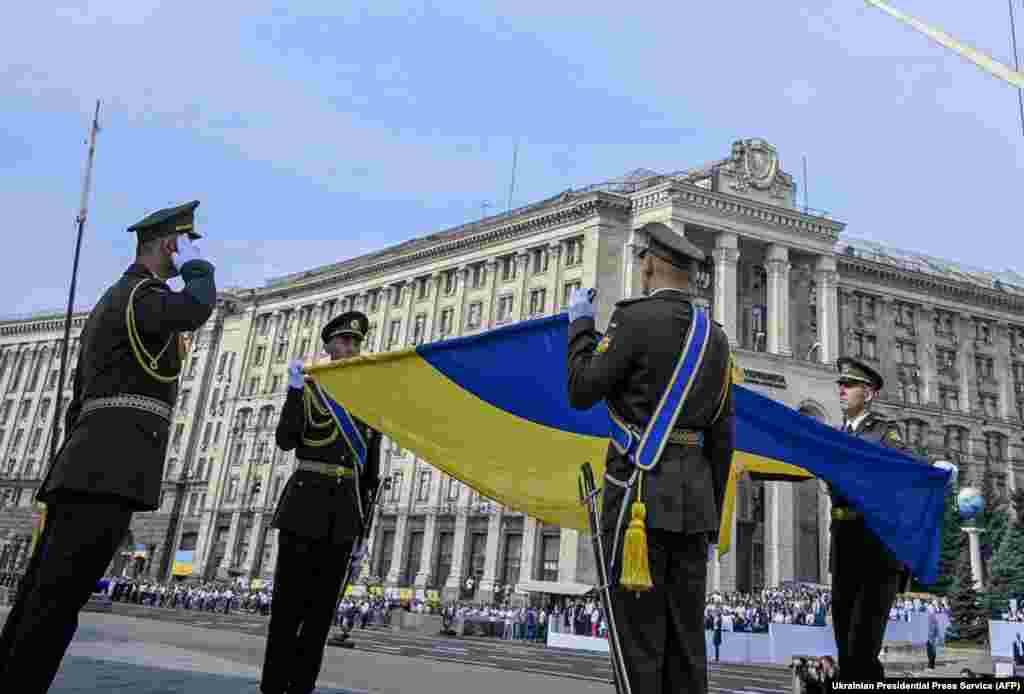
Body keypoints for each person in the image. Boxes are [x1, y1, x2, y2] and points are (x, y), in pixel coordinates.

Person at [0, 201, 216, 692]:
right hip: (110, 468)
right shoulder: (142, 295)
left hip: (88, 463)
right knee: (55, 603)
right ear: (169, 246)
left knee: (42, 594)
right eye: (185, 245)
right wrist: (201, 267)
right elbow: (196, 307)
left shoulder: (116, 300)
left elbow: (79, 399)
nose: (188, 254)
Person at [567, 221, 735, 694]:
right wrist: (712, 515)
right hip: (695, 506)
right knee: (686, 643)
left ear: (650, 264)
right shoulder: (716, 338)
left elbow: (581, 390)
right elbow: (722, 437)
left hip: (637, 497)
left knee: (638, 640)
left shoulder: (632, 319)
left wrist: (580, 327)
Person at [260, 310, 382, 694]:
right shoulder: (310, 390)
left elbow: (370, 474)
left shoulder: (368, 401)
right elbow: (286, 439)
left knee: (320, 613)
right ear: (328, 346)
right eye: (342, 342)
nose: (348, 348)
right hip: (304, 505)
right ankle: (274, 684)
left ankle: (301, 686)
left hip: (344, 513)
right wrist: (295, 391)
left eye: (355, 343)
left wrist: (364, 530)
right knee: (287, 606)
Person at [829, 356, 956, 682]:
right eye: (840, 385)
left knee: (863, 645)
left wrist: (933, 471)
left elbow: (908, 464)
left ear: (868, 393)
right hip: (843, 546)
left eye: (849, 385)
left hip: (876, 547)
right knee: (845, 643)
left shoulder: (884, 432)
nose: (841, 390)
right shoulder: (835, 434)